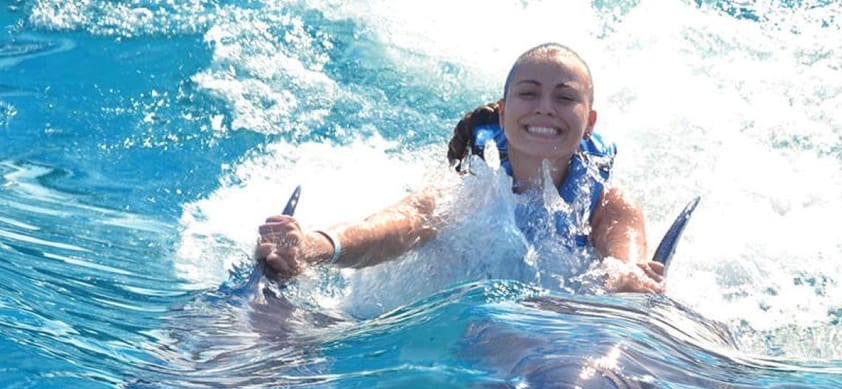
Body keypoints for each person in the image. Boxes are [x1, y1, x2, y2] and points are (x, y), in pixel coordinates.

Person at [256, 43, 665, 293]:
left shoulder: (608, 205)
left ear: (589, 121)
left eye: (565, 98)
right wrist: (315, 247)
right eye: (529, 93)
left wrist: (628, 280)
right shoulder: (468, 189)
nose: (545, 107)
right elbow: (395, 225)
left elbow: (623, 265)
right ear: (503, 114)